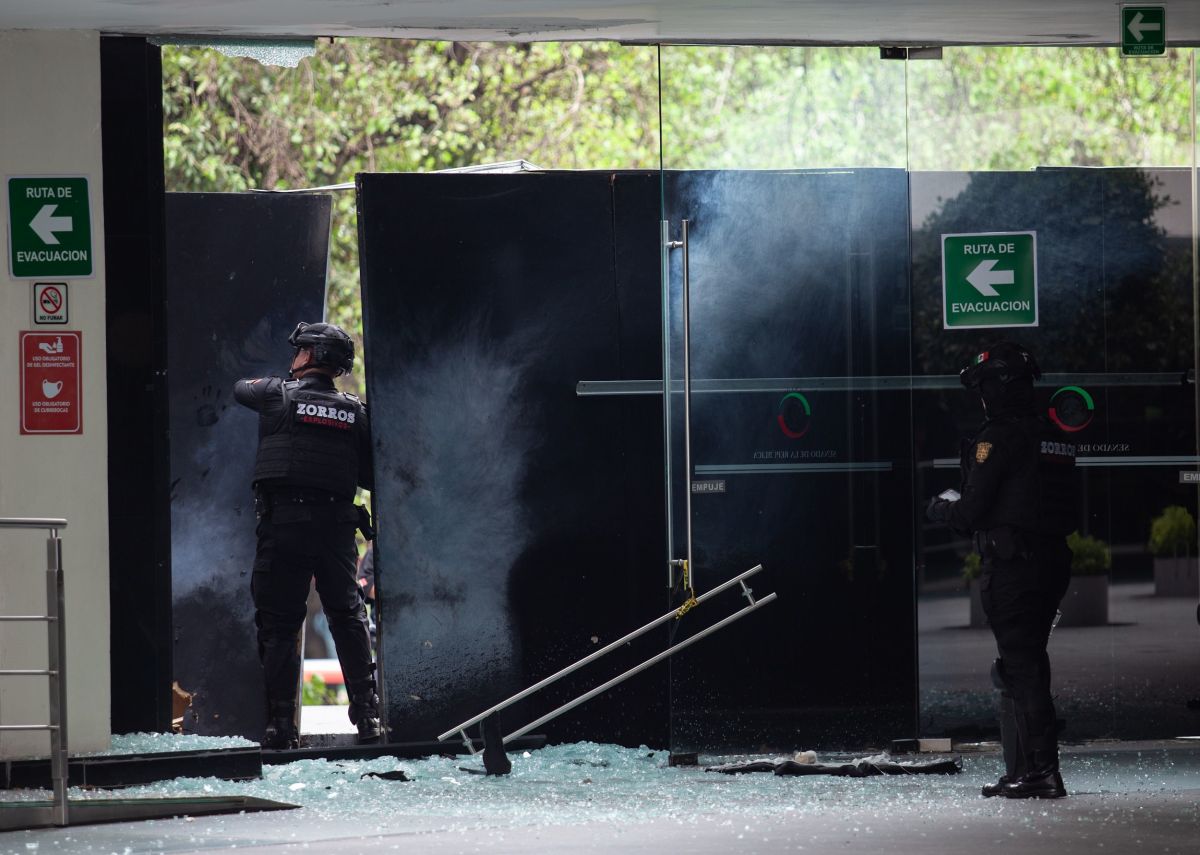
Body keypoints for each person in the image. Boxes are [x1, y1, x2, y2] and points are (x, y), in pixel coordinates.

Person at [926, 342, 1076, 799]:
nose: (982, 397)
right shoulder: (1050, 436)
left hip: (1015, 570)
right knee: (1028, 666)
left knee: (1023, 669)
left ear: (998, 387)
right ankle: (1029, 768)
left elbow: (971, 513)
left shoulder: (998, 439)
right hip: (1050, 562)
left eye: (984, 387)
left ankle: (1041, 773)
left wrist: (938, 507)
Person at [234, 321, 380, 749]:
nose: (293, 356)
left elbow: (241, 388)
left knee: (279, 626)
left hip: (285, 528)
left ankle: (280, 726)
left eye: (300, 350)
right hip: (335, 531)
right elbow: (371, 474)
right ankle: (369, 718)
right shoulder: (357, 412)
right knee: (348, 618)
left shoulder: (275, 395)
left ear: (312, 356)